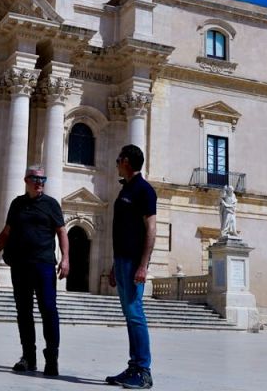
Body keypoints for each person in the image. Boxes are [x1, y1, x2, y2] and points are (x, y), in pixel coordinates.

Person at [0, 166, 69, 377]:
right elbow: (6, 232)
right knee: (24, 312)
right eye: (35, 179)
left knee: (48, 310)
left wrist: (65, 258)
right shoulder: (17, 204)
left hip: (44, 265)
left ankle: (52, 358)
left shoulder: (51, 204)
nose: (40, 182)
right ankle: (28, 357)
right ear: (26, 180)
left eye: (43, 179)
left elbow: (62, 232)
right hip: (20, 265)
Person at [105, 144, 157, 389]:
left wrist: (144, 265)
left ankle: (143, 371)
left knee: (136, 314)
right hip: (123, 260)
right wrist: (115, 264)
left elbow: (151, 229)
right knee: (130, 315)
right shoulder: (126, 189)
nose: (116, 162)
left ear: (126, 161)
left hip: (134, 262)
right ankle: (134, 366)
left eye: (118, 159)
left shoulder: (144, 190)